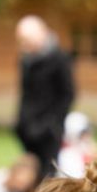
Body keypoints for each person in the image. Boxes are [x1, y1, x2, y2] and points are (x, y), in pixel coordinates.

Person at [14, 16, 74, 179]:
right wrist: (21, 123)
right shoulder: (26, 60)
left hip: (49, 130)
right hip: (28, 128)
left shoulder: (59, 59)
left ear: (41, 34)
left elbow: (67, 94)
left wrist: (51, 124)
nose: (24, 45)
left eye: (27, 40)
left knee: (47, 174)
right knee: (29, 173)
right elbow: (25, 95)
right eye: (21, 41)